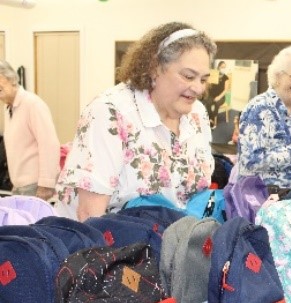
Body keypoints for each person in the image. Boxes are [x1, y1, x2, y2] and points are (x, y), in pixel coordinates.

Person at [56, 22, 216, 221]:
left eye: (203, 79)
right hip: (114, 246)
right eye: (188, 76)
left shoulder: (197, 114)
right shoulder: (111, 113)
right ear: (155, 68)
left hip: (171, 243)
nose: (198, 89)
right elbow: (89, 215)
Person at [237, 46, 291, 189]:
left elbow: (290, 157)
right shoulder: (260, 108)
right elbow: (250, 161)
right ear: (277, 76)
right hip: (262, 203)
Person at [0, 60, 60, 200]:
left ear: (12, 80)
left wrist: (46, 183)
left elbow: (49, 144)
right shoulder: (8, 107)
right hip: (19, 186)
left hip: (35, 185)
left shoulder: (32, 104)